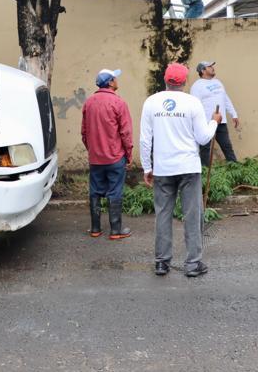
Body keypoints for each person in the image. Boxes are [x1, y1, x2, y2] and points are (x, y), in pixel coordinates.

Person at [140, 63, 220, 277]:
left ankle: (161, 263)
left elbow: (145, 139)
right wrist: (214, 122)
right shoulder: (192, 103)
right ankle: (193, 264)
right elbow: (203, 138)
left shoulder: (151, 102)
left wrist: (147, 167)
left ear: (165, 80)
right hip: (188, 168)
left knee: (163, 214)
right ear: (184, 82)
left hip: (163, 168)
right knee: (192, 215)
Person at [80, 68, 134, 240]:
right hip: (115, 157)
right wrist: (129, 154)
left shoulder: (89, 102)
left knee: (95, 191)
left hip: (96, 158)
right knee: (115, 192)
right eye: (115, 78)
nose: (117, 81)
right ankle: (116, 230)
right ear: (110, 82)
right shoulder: (118, 103)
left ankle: (95, 229)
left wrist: (93, 150)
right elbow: (125, 133)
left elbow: (84, 132)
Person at [190, 61, 240, 167]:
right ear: (203, 71)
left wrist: (233, 114)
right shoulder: (197, 86)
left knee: (227, 147)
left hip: (221, 122)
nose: (213, 68)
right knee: (205, 149)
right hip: (206, 122)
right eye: (209, 66)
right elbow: (194, 105)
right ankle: (204, 173)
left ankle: (235, 170)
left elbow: (225, 99)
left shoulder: (218, 82)